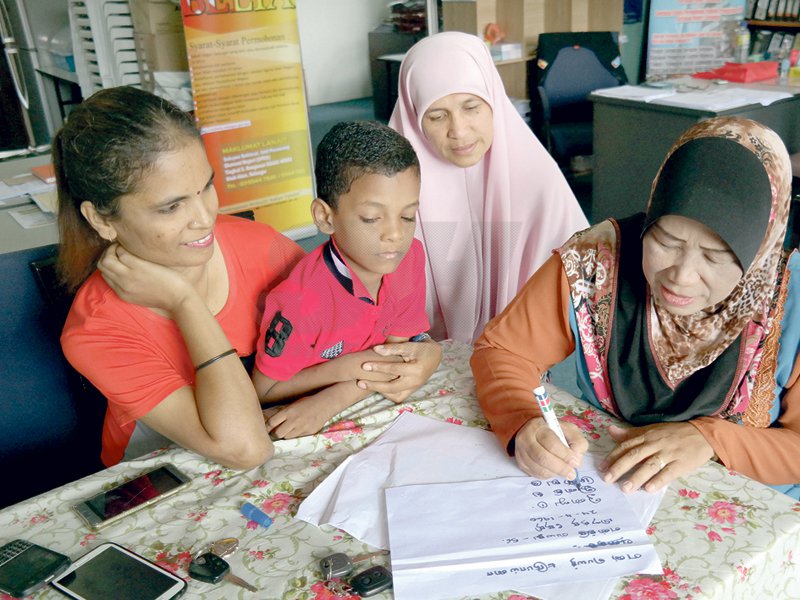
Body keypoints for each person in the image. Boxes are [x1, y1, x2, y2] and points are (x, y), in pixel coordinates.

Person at [471, 116, 800, 499]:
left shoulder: (790, 299)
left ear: (759, 252)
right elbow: (504, 350)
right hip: (613, 492)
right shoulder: (597, 259)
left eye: (715, 257)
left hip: (753, 508)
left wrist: (710, 440)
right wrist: (523, 420)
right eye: (667, 241)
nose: (682, 276)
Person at [57, 86, 306, 469]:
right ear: (101, 220)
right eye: (172, 207)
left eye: (205, 186)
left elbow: (356, 330)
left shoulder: (262, 246)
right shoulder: (97, 329)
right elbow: (244, 449)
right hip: (164, 476)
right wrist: (184, 301)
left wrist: (412, 351)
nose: (205, 218)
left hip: (277, 438)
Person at [389, 31, 588, 343]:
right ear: (414, 120)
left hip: (518, 348)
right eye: (437, 116)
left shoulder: (537, 177)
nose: (459, 130)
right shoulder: (393, 187)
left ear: (494, 100)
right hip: (422, 348)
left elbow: (579, 280)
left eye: (471, 107)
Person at [253, 121, 441, 439]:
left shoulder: (410, 259)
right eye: (371, 218)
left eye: (408, 216)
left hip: (360, 407)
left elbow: (396, 357)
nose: (396, 235)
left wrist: (336, 396)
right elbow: (263, 390)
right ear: (326, 217)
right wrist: (346, 367)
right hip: (299, 416)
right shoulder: (302, 301)